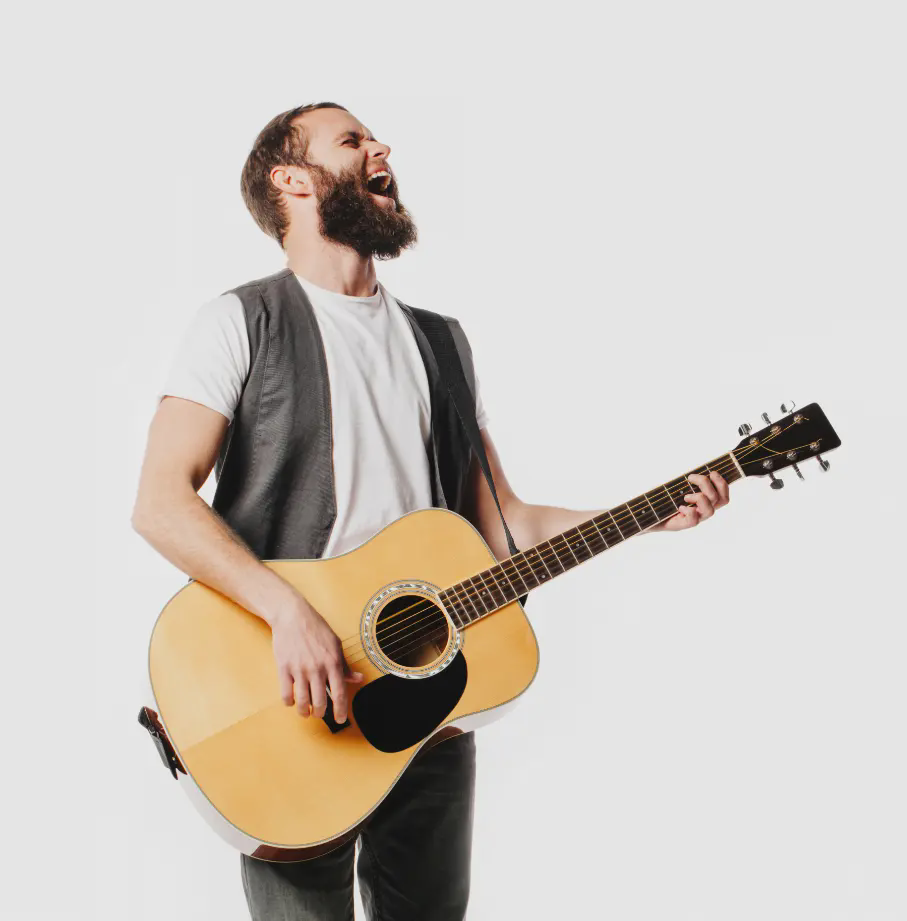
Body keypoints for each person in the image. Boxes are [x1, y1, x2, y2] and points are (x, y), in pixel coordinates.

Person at [131, 101, 731, 921]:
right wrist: (287, 613)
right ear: (291, 180)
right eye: (352, 140)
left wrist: (644, 514)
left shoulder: (442, 342)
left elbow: (501, 529)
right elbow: (160, 502)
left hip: (433, 702)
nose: (381, 146)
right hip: (293, 701)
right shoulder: (238, 322)